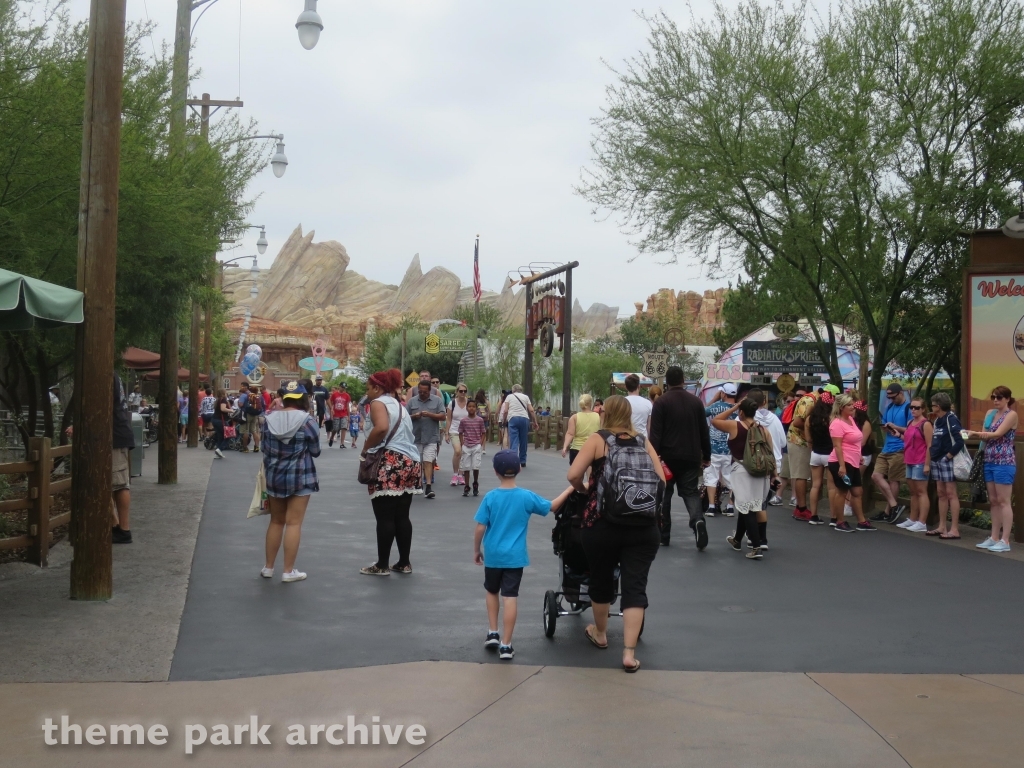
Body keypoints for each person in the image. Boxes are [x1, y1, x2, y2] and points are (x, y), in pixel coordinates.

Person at [568, 395, 665, 672]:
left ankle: (600, 634)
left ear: (604, 413)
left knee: (601, 580)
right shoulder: (643, 442)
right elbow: (661, 480)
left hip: (602, 525)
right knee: (635, 587)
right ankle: (629, 652)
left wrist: (588, 490)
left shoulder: (599, 440)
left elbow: (573, 475)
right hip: (644, 527)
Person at [474, 450, 572, 660]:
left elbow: (480, 527)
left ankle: (492, 632)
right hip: (514, 557)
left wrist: (477, 550)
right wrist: (571, 488)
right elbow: (553, 506)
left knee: (492, 591)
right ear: (519, 469)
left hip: (493, 555)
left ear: (495, 471)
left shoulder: (491, 497)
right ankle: (506, 645)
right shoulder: (526, 496)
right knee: (510, 597)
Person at [360, 368, 423, 575]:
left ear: (377, 388)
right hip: (410, 461)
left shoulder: (378, 403)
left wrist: (366, 449)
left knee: (385, 517)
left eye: (368, 388)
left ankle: (382, 564)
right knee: (402, 516)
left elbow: (381, 428)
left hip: (390, 461)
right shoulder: (399, 404)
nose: (367, 392)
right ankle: (404, 562)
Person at [260, 381, 320, 582]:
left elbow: (264, 449)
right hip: (300, 476)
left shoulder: (268, 420)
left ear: (283, 397)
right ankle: (288, 571)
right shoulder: (307, 421)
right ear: (303, 398)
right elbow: (315, 450)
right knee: (294, 523)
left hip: (274, 475)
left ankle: (268, 567)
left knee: (276, 521)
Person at [650, 366, 711, 551]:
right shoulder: (695, 402)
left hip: (667, 458)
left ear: (667, 382)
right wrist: (706, 455)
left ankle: (664, 534)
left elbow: (655, 434)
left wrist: (654, 456)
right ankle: (698, 521)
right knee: (690, 493)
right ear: (683, 380)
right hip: (691, 455)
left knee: (665, 494)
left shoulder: (661, 403)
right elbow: (704, 432)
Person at [711, 398, 771, 558]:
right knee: (750, 505)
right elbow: (769, 452)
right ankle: (737, 539)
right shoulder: (763, 429)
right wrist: (774, 475)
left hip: (742, 470)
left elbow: (715, 420)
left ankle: (756, 546)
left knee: (747, 508)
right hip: (760, 472)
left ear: (741, 412)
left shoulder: (735, 426)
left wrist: (734, 407)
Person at [968, 386, 1018, 553]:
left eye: (999, 397)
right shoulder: (990, 413)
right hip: (988, 459)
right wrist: (977, 434)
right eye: (994, 397)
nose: (996, 400)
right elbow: (985, 433)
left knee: (1004, 501)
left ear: (1007, 399)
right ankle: (994, 537)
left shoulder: (1011, 415)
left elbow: (997, 434)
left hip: (1004, 461)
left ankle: (1005, 540)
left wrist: (974, 434)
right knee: (994, 501)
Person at [828, 394, 875, 532]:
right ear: (842, 407)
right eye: (849, 405)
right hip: (841, 461)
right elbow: (837, 446)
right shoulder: (837, 423)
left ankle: (861, 521)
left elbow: (856, 440)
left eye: (852, 404)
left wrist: (859, 454)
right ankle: (839, 521)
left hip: (853, 460)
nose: (852, 407)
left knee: (857, 491)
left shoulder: (850, 420)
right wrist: (842, 466)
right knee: (842, 491)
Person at [870, 383, 912, 524]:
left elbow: (912, 431)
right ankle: (894, 506)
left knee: (894, 479)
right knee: (876, 475)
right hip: (887, 447)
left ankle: (888, 512)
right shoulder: (889, 407)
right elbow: (885, 425)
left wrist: (896, 428)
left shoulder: (909, 408)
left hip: (900, 447)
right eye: (889, 398)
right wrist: (886, 428)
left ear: (900, 393)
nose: (892, 400)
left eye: (893, 397)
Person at [748, 389, 785, 546]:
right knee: (762, 501)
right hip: (773, 464)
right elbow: (783, 442)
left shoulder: (746, 419)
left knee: (749, 502)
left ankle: (753, 536)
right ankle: (762, 537)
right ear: (764, 402)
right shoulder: (775, 419)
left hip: (752, 464)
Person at [929, 392, 964, 539]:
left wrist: (948, 456)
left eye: (932, 405)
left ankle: (954, 529)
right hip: (936, 459)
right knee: (941, 493)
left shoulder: (951, 419)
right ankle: (942, 526)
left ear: (938, 406)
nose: (932, 407)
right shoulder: (937, 420)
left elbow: (960, 440)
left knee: (951, 494)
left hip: (946, 459)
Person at [897, 397, 934, 533]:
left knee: (921, 491)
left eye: (917, 407)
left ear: (923, 409)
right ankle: (912, 519)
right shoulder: (910, 422)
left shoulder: (926, 424)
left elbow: (930, 445)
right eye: (911, 407)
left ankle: (922, 521)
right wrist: (897, 435)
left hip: (920, 460)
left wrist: (927, 464)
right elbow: (908, 439)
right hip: (909, 459)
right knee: (913, 492)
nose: (913, 410)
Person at [406, 379, 446, 499]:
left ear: (430, 391)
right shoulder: (412, 401)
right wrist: (415, 416)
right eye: (420, 391)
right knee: (417, 462)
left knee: (428, 461)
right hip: (416, 436)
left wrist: (430, 414)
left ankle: (428, 486)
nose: (422, 393)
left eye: (425, 392)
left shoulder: (437, 400)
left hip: (431, 437)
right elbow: (405, 417)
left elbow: (443, 416)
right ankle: (418, 484)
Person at [703, 384, 737, 517]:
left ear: (723, 393)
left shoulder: (716, 407)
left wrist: (715, 399)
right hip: (731, 449)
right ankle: (730, 506)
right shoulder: (738, 409)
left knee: (712, 477)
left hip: (714, 448)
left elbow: (702, 412)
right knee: (731, 478)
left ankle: (711, 506)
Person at [786, 387, 817, 521]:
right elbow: (798, 422)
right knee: (801, 475)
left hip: (803, 441)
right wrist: (814, 428)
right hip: (799, 441)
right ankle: (801, 508)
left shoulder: (813, 400)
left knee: (802, 475)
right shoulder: (809, 401)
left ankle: (800, 506)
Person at [112, 373, 136, 544]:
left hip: (115, 434)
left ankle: (123, 529)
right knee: (112, 482)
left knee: (119, 484)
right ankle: (115, 525)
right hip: (116, 433)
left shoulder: (107, 374)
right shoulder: (113, 375)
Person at [805, 391, 834, 526]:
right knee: (831, 487)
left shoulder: (810, 419)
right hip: (830, 453)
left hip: (816, 453)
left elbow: (808, 439)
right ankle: (834, 517)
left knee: (815, 485)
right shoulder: (832, 418)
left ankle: (814, 515)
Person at [502, 384, 539, 469]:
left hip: (513, 418)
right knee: (523, 440)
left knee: (514, 440)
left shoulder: (509, 397)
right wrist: (535, 422)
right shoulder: (526, 397)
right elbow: (532, 410)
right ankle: (523, 461)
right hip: (524, 419)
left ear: (513, 390)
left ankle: (514, 460)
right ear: (521, 390)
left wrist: (504, 420)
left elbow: (505, 410)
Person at [562, 393, 601, 465]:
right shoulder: (598, 416)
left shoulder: (574, 417)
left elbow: (570, 434)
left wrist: (565, 447)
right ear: (591, 403)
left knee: (577, 475)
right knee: (591, 473)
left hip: (577, 449)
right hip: (592, 449)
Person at [445, 383, 472, 486]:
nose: (463, 393)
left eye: (465, 391)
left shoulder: (469, 403)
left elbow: (473, 417)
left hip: (467, 432)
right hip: (454, 430)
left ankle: (461, 474)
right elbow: (448, 419)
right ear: (457, 392)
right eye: (461, 391)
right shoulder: (452, 403)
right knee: (457, 451)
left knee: (464, 453)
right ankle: (455, 474)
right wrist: (447, 433)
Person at [459, 400, 486, 496]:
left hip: (476, 445)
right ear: (466, 408)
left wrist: (480, 443)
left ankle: (475, 482)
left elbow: (483, 432)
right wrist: (462, 443)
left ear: (476, 408)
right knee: (466, 467)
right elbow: (460, 432)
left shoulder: (479, 420)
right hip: (466, 445)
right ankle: (466, 485)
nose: (471, 408)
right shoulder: (463, 420)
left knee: (476, 466)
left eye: (473, 406)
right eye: (469, 406)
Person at [623, 373, 653, 438]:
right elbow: (649, 427)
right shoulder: (648, 403)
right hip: (643, 439)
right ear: (639, 386)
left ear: (626, 387)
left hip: (626, 438)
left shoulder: (622, 403)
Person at [328, 383, 352, 448]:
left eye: (344, 388)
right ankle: (332, 437)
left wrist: (349, 416)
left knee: (344, 428)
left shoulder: (347, 396)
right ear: (339, 387)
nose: (343, 389)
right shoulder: (334, 394)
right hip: (336, 414)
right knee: (336, 428)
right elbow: (330, 402)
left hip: (344, 414)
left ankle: (342, 443)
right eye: (342, 387)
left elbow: (347, 406)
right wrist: (331, 410)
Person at [211, 389, 232, 459]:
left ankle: (218, 452)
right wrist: (231, 410)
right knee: (228, 435)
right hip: (221, 420)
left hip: (215, 419)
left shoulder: (217, 400)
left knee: (220, 436)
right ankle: (219, 449)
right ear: (224, 393)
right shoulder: (223, 400)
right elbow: (223, 409)